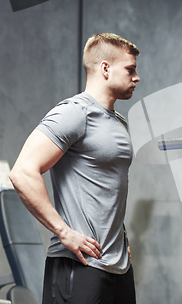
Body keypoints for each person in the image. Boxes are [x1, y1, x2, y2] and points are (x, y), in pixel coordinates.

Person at [9, 33, 140, 304]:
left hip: (119, 268)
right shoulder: (74, 112)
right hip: (80, 266)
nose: (136, 77)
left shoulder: (119, 122)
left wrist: (120, 238)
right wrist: (63, 231)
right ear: (105, 68)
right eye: (130, 69)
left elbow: (108, 189)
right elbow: (23, 171)